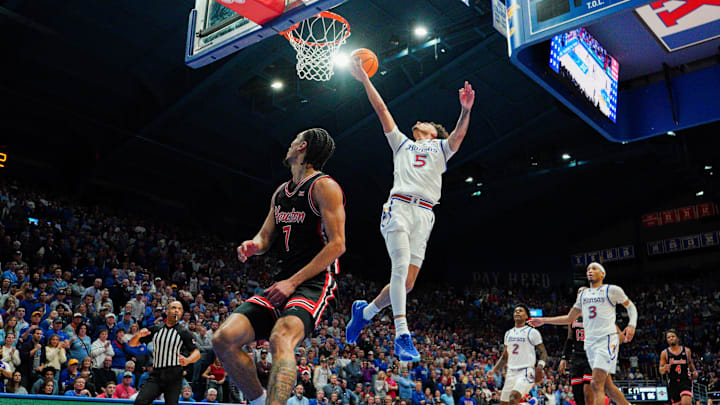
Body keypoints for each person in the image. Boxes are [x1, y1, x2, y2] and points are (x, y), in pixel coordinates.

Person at [345, 58, 475, 361]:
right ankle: (402, 335)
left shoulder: (441, 149)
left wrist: (465, 110)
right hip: (400, 207)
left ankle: (365, 313)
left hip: (425, 214)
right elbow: (382, 110)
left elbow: (458, 136)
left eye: (427, 122)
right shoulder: (402, 144)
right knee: (400, 267)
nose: (420, 121)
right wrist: (364, 78)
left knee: (407, 282)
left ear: (433, 133)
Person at [212, 128, 346, 405]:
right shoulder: (281, 193)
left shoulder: (324, 186)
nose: (290, 144)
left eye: (294, 140)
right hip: (283, 280)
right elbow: (265, 236)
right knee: (223, 338)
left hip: (313, 282)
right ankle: (261, 401)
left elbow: (337, 245)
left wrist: (293, 282)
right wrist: (253, 245)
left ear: (302, 147)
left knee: (280, 337)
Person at [529, 262, 638, 405]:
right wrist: (544, 320)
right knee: (608, 387)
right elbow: (569, 318)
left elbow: (630, 307)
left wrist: (632, 324)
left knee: (595, 384)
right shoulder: (583, 296)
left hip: (607, 339)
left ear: (602, 274)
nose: (590, 271)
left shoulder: (611, 290)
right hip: (590, 344)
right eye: (588, 269)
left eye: (594, 268)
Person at [129, 300, 200, 405]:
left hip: (174, 375)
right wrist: (138, 335)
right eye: (174, 308)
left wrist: (188, 360)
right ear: (167, 311)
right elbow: (132, 344)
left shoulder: (183, 332)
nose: (176, 311)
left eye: (179, 309)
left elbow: (196, 352)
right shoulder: (156, 328)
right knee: (140, 401)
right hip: (157, 374)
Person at [490, 305, 547, 405]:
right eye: (515, 311)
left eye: (520, 311)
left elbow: (543, 352)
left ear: (526, 316)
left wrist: (540, 367)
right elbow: (504, 357)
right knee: (504, 403)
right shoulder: (508, 333)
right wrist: (494, 370)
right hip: (511, 372)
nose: (517, 312)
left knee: (513, 398)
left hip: (526, 371)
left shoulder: (532, 332)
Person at [558, 288, 593, 405]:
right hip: (576, 357)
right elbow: (569, 338)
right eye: (579, 293)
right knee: (578, 395)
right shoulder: (572, 315)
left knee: (588, 392)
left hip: (592, 357)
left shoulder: (597, 312)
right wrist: (564, 358)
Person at [659, 329, 697, 405]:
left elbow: (690, 363)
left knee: (686, 402)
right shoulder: (664, 353)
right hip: (673, 382)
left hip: (685, 380)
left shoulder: (686, 351)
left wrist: (694, 371)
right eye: (668, 337)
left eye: (673, 336)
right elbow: (660, 370)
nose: (671, 338)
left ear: (677, 338)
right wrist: (664, 368)